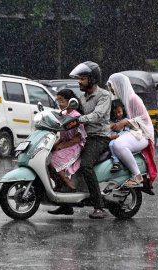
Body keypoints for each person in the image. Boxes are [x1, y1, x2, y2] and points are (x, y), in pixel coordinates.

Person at [48, 61, 112, 219]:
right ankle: (66, 205)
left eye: (82, 79)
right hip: (84, 137)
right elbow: (69, 111)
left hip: (99, 138)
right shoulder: (82, 98)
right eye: (79, 78)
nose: (79, 82)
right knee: (52, 160)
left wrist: (79, 120)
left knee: (86, 165)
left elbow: (97, 115)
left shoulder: (104, 96)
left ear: (92, 79)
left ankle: (99, 207)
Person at [107, 73, 156, 195]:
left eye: (112, 86)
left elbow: (144, 120)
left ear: (119, 85)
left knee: (118, 145)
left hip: (142, 134)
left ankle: (137, 175)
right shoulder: (119, 101)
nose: (111, 90)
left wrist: (125, 123)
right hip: (130, 132)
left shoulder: (133, 99)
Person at [49, 89, 87, 192]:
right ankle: (60, 185)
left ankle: (69, 183)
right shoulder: (64, 114)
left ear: (70, 102)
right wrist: (55, 145)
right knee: (47, 159)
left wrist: (62, 146)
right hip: (65, 144)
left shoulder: (76, 116)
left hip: (75, 146)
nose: (59, 104)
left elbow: (78, 138)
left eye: (61, 101)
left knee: (54, 160)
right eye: (58, 101)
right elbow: (62, 136)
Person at [109, 99, 130, 173]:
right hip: (116, 138)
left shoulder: (126, 121)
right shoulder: (114, 122)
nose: (118, 115)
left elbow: (127, 132)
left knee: (112, 144)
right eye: (115, 113)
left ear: (123, 110)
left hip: (124, 138)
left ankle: (116, 162)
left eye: (119, 112)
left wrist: (117, 136)